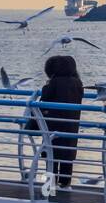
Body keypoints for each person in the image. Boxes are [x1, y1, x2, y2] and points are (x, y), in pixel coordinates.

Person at [35, 55, 85, 191]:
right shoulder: (77, 83)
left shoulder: (54, 83)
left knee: (51, 159)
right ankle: (65, 185)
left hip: (53, 126)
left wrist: (46, 86)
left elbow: (44, 101)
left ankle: (49, 188)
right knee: (67, 158)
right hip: (71, 126)